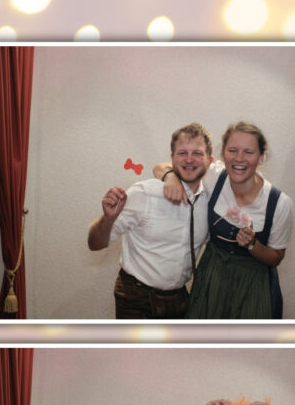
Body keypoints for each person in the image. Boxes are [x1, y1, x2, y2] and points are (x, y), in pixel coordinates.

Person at [156, 122, 293, 319]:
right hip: (212, 277)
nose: (239, 158)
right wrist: (171, 178)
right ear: (223, 155)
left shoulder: (279, 203)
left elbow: (276, 257)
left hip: (253, 285)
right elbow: (161, 167)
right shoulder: (214, 176)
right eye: (232, 150)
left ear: (261, 157)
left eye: (248, 152)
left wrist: (253, 244)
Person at [87, 123, 212, 319]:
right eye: (182, 153)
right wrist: (107, 220)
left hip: (179, 299)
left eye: (197, 153)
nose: (189, 159)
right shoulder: (144, 193)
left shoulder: (210, 202)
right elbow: (95, 244)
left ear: (210, 160)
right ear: (172, 158)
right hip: (135, 298)